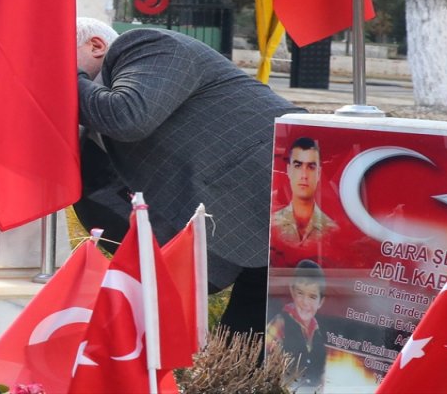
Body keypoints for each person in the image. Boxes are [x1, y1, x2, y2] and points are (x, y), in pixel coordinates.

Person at [74, 18, 305, 335]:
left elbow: (128, 117)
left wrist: (63, 77)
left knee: (278, 338)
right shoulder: (91, 107)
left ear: (97, 45)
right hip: (245, 220)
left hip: (280, 186)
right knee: (247, 343)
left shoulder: (144, 46)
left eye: (56, 60)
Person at [265, 260, 328, 393]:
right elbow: (265, 364)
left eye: (312, 297)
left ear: (320, 302)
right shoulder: (280, 323)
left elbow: (321, 378)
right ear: (292, 291)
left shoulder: (318, 334)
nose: (305, 302)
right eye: (300, 293)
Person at [271, 137, 339, 250]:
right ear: (289, 170)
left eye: (311, 167)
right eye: (298, 166)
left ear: (319, 173)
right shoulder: (272, 226)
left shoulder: (332, 231)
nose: (304, 175)